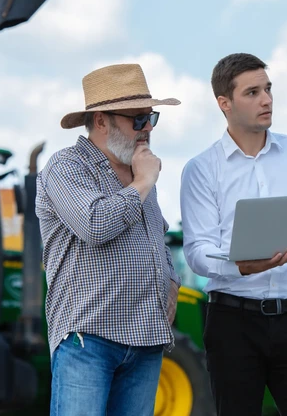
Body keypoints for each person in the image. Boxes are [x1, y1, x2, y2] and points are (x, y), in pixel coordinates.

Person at [180, 52, 287, 415]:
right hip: (233, 325)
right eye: (252, 92)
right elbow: (198, 252)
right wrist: (243, 265)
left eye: (268, 88)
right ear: (224, 103)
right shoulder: (200, 170)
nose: (266, 100)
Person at [36, 63, 183, 415]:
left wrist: (172, 281)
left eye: (151, 118)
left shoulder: (138, 171)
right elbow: (95, 225)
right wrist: (143, 184)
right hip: (89, 339)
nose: (147, 128)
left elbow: (155, 236)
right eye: (137, 119)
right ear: (101, 121)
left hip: (145, 339)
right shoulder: (66, 167)